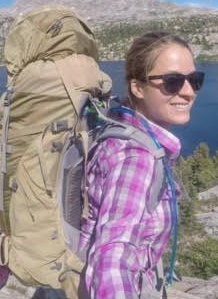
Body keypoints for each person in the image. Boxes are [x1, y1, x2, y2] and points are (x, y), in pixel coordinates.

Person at [78, 32, 205, 298]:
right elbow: (113, 255)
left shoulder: (118, 124)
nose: (189, 91)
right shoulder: (136, 157)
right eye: (172, 82)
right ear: (137, 87)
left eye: (195, 80)